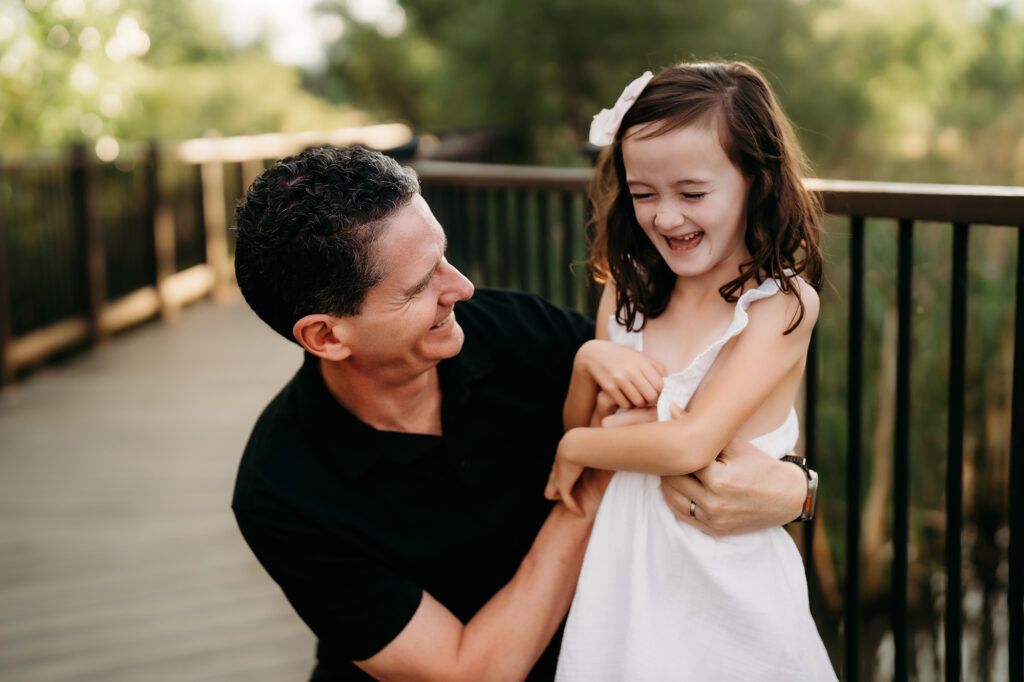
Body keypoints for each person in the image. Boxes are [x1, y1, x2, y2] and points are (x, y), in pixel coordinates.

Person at [230, 144, 814, 681]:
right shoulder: (281, 490)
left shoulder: (514, 330)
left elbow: (702, 418)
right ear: (326, 336)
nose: (461, 287)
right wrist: (597, 470)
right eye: (417, 287)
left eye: (445, 255)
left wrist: (799, 490)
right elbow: (471, 673)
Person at [544, 62, 837, 680]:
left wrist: (575, 445)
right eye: (644, 194)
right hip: (626, 567)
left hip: (721, 573)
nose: (666, 218)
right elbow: (592, 418)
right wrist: (588, 362)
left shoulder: (778, 305)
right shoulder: (628, 285)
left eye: (692, 194)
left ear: (756, 181)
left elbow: (689, 443)